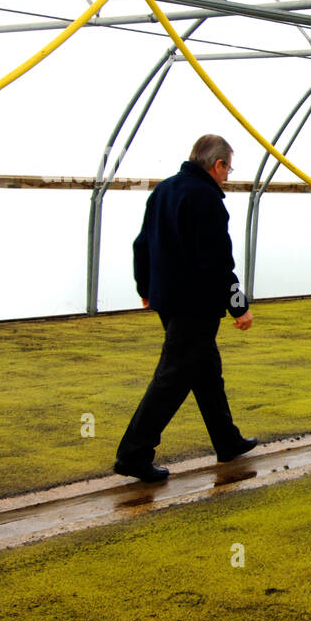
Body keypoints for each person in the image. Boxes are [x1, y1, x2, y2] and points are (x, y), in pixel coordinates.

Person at [114, 133, 258, 482]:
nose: (228, 176)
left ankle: (226, 441)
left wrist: (145, 287)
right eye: (228, 168)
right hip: (196, 304)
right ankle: (133, 454)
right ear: (217, 164)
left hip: (169, 300)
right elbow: (219, 263)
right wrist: (239, 306)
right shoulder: (206, 199)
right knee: (172, 378)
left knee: (206, 371)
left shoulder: (164, 190)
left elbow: (142, 244)